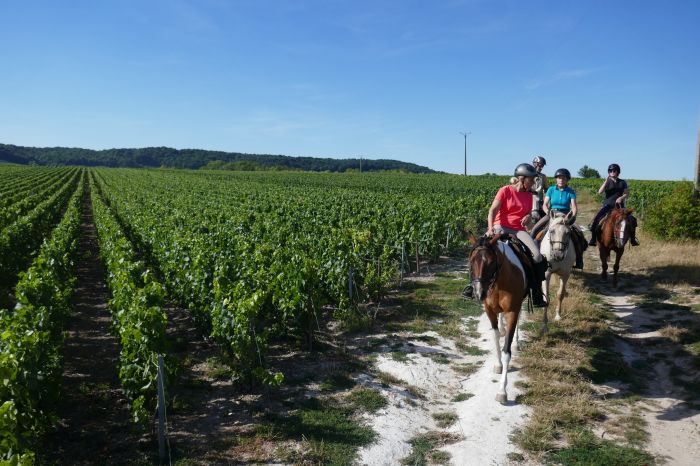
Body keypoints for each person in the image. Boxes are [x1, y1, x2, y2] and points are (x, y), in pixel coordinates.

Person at [464, 163, 548, 307]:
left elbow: (527, 218)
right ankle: (471, 286)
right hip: (500, 227)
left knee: (537, 256)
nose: (534, 181)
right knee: (479, 250)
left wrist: (528, 219)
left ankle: (537, 293)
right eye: (531, 179)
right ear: (522, 178)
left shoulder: (529, 196)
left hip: (518, 230)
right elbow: (492, 211)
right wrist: (491, 229)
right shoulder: (505, 190)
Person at [531, 168, 587, 268]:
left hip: (565, 215)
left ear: (567, 180)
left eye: (564, 178)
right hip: (552, 214)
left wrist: (572, 216)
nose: (561, 180)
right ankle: (535, 257)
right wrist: (548, 212)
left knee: (579, 234)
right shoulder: (551, 189)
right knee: (535, 230)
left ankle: (579, 259)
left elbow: (574, 207)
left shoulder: (570, 191)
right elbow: (545, 204)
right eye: (559, 178)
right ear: (556, 179)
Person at [588, 163, 640, 246]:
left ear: (618, 172)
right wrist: (606, 181)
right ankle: (593, 239)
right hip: (608, 206)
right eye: (610, 171)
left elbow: (627, 194)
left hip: (619, 207)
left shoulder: (623, 182)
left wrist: (621, 198)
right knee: (597, 219)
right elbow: (600, 192)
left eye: (614, 171)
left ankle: (633, 239)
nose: (612, 172)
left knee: (632, 219)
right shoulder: (607, 182)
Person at [531, 156, 549, 221]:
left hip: (540, 202)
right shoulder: (527, 174)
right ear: (535, 163)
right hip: (528, 201)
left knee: (547, 218)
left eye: (542, 165)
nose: (541, 167)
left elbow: (547, 189)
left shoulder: (543, 176)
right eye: (540, 165)